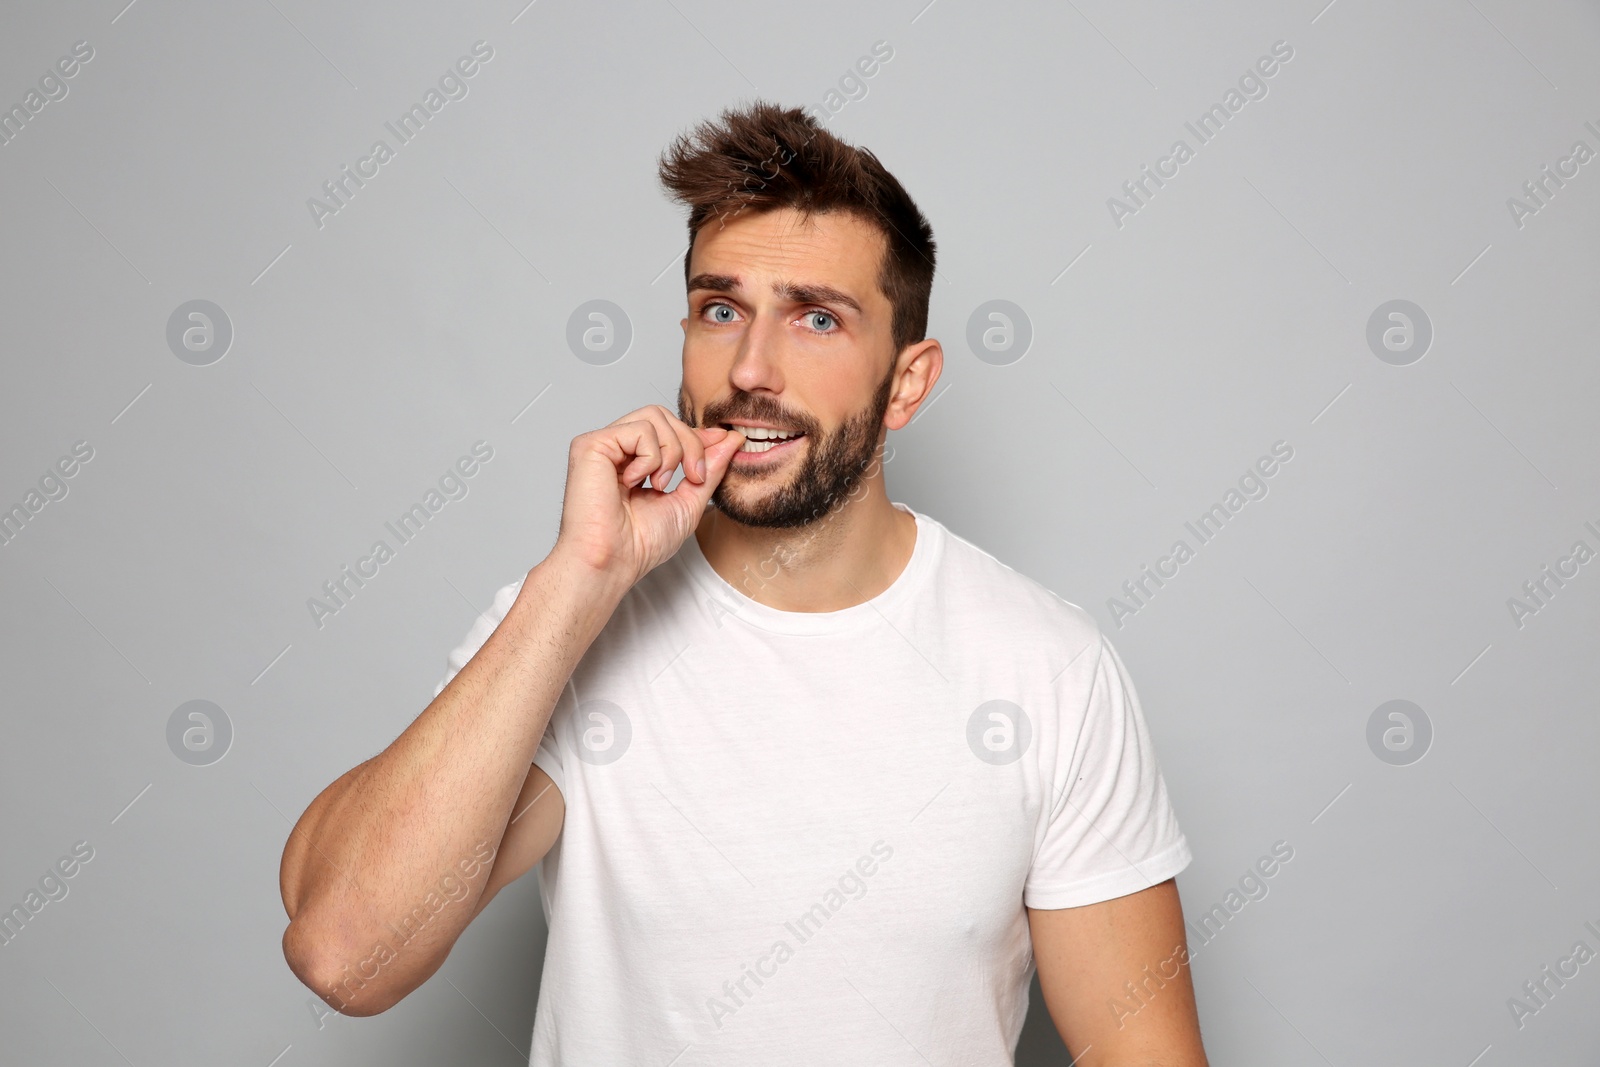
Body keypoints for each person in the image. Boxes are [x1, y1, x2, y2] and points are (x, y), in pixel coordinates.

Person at [278, 100, 1208, 1065]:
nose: (751, 369)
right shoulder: (574, 622)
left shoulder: (1048, 671)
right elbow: (345, 953)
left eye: (816, 318)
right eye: (721, 310)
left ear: (908, 382)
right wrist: (581, 580)